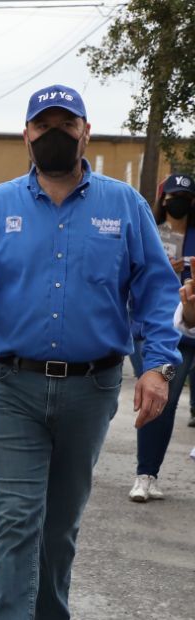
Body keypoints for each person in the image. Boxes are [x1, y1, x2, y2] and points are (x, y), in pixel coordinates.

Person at [0, 85, 180, 620]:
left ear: (84, 130)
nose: (53, 131)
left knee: (61, 523)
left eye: (64, 122)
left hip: (92, 386)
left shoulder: (123, 205)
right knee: (18, 517)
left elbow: (156, 290)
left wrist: (156, 365)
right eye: (41, 123)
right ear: (26, 134)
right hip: (10, 384)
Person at [130, 173, 195, 501]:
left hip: (193, 324)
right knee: (162, 399)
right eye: (172, 196)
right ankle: (146, 474)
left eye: (184, 196)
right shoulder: (149, 232)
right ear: (163, 199)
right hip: (159, 329)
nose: (177, 202)